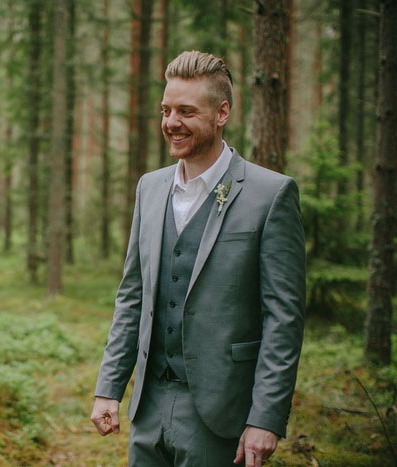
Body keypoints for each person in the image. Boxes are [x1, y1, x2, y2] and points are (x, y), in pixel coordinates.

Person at [90, 50, 305, 467]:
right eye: (166, 110)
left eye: (186, 111)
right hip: (148, 409)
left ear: (222, 112)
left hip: (223, 414)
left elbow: (283, 317)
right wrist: (108, 388)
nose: (171, 123)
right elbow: (132, 296)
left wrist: (266, 417)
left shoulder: (271, 194)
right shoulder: (149, 189)